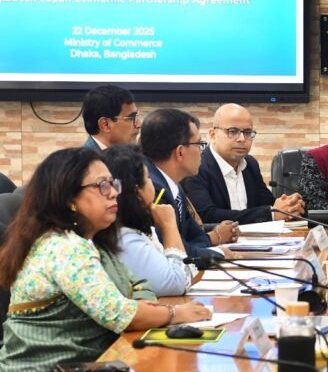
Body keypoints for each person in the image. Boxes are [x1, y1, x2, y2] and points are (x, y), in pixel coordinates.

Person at [0, 148, 210, 370]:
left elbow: (138, 285)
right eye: (101, 185)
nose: (113, 193)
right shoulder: (63, 247)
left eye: (113, 184)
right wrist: (173, 313)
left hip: (89, 362)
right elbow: (120, 314)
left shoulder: (95, 243)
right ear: (69, 197)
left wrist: (143, 308)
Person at [140, 108, 238, 263]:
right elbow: (177, 252)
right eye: (199, 144)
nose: (201, 151)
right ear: (180, 152)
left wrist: (200, 244)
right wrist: (218, 253)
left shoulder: (174, 184)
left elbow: (194, 235)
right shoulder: (152, 190)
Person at [184, 104, 304, 224]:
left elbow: (267, 203)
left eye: (247, 132)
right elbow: (206, 216)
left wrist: (290, 206)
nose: (242, 138)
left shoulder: (250, 164)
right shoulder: (196, 167)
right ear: (213, 135)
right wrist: (271, 214)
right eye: (232, 131)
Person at [104, 144, 194, 297]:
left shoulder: (137, 227)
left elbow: (185, 271)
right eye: (148, 178)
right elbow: (177, 283)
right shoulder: (125, 239)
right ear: (138, 191)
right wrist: (169, 226)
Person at [81, 85, 140, 152]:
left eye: (137, 116)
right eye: (131, 118)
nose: (139, 124)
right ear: (105, 125)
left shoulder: (127, 151)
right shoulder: (87, 158)